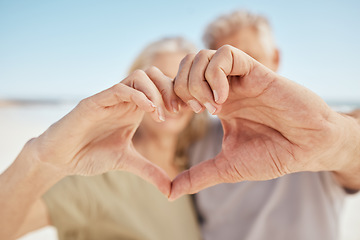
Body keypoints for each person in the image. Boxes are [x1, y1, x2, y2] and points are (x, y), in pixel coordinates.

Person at [169, 10, 360, 240]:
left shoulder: (317, 129)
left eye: (250, 59)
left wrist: (330, 135)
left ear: (276, 58)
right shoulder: (198, 142)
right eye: (222, 67)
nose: (237, 71)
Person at [0, 37, 204, 240]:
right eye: (160, 84)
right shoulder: (99, 173)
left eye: (183, 84)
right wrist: (41, 156)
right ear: (139, 89)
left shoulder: (198, 167)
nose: (173, 97)